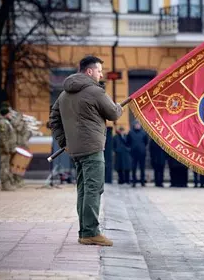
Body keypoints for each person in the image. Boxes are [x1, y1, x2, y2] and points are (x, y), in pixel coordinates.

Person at [49, 55, 123, 246]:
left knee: (83, 190)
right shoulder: (95, 91)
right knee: (93, 189)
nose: (101, 74)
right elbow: (113, 113)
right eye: (99, 71)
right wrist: (118, 107)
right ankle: (90, 232)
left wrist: (63, 141)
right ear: (89, 71)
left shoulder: (64, 94)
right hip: (92, 148)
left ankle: (85, 231)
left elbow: (53, 120)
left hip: (75, 150)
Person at [0, 107, 17, 191]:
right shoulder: (2, 123)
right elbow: (3, 137)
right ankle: (5, 185)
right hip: (5, 149)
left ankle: (8, 184)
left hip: (9, 149)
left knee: (7, 166)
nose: (11, 115)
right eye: (9, 113)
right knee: (4, 167)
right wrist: (7, 149)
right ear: (6, 114)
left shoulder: (6, 122)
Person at [127, 120, 148, 187]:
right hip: (133, 153)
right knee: (133, 168)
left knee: (142, 168)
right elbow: (128, 141)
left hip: (142, 153)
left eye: (138, 124)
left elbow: (146, 142)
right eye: (136, 124)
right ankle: (134, 182)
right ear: (134, 125)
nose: (137, 126)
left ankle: (142, 182)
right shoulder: (130, 133)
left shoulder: (144, 133)